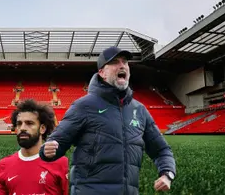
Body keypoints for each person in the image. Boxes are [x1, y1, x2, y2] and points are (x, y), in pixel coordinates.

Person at [39, 46, 177, 195]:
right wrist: (47, 150)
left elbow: (161, 150)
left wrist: (167, 173)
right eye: (115, 62)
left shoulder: (139, 110)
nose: (122, 65)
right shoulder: (84, 106)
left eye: (125, 62)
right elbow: (57, 142)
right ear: (102, 73)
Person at [0, 99, 69, 195]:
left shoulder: (60, 163)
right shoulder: (4, 165)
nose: (22, 128)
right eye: (19, 124)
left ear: (42, 128)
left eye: (29, 123)